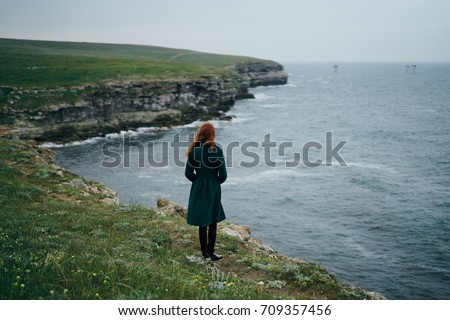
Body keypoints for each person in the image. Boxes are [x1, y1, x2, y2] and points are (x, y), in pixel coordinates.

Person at [185, 122, 227, 261]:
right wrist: (214, 182)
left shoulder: (193, 150)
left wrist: (198, 181)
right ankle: (212, 253)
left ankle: (205, 253)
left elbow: (188, 173)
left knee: (202, 222)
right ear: (212, 135)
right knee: (213, 220)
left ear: (200, 134)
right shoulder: (217, 150)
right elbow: (223, 175)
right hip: (213, 188)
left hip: (198, 187)